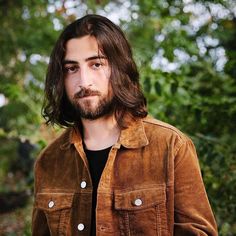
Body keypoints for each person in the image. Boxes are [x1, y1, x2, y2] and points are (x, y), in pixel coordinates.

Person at [32, 14, 218, 236]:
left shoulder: (171, 146)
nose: (84, 81)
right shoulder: (49, 161)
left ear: (119, 68)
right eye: (72, 68)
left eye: (96, 64)